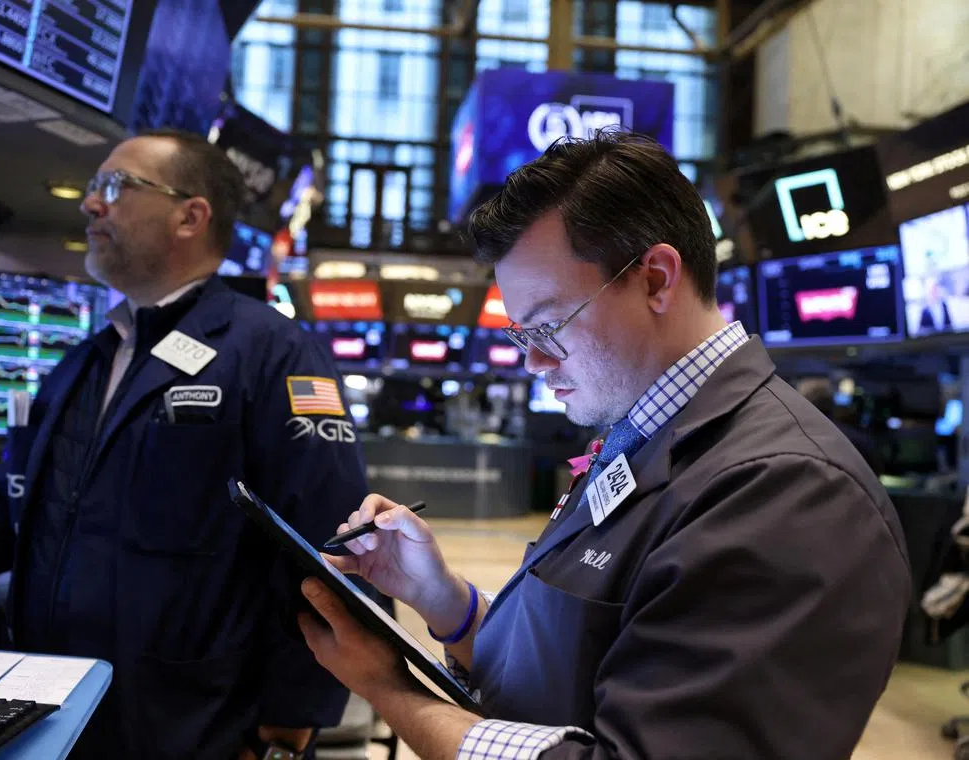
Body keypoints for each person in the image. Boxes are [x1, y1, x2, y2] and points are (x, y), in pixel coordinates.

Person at [296, 133, 912, 760]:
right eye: (520, 332)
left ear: (656, 279)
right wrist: (440, 598)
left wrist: (390, 690)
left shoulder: (790, 492)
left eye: (550, 324)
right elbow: (563, 671)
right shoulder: (643, 437)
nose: (532, 360)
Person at [0, 129, 368, 759]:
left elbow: (328, 547)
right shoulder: (84, 363)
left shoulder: (271, 351)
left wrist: (288, 727)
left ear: (190, 215)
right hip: (53, 710)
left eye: (116, 187)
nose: (90, 204)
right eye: (93, 188)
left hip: (196, 724)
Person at [797, 377, 885, 476]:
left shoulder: (794, 439)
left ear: (802, 402)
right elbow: (875, 473)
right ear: (831, 401)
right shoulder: (857, 439)